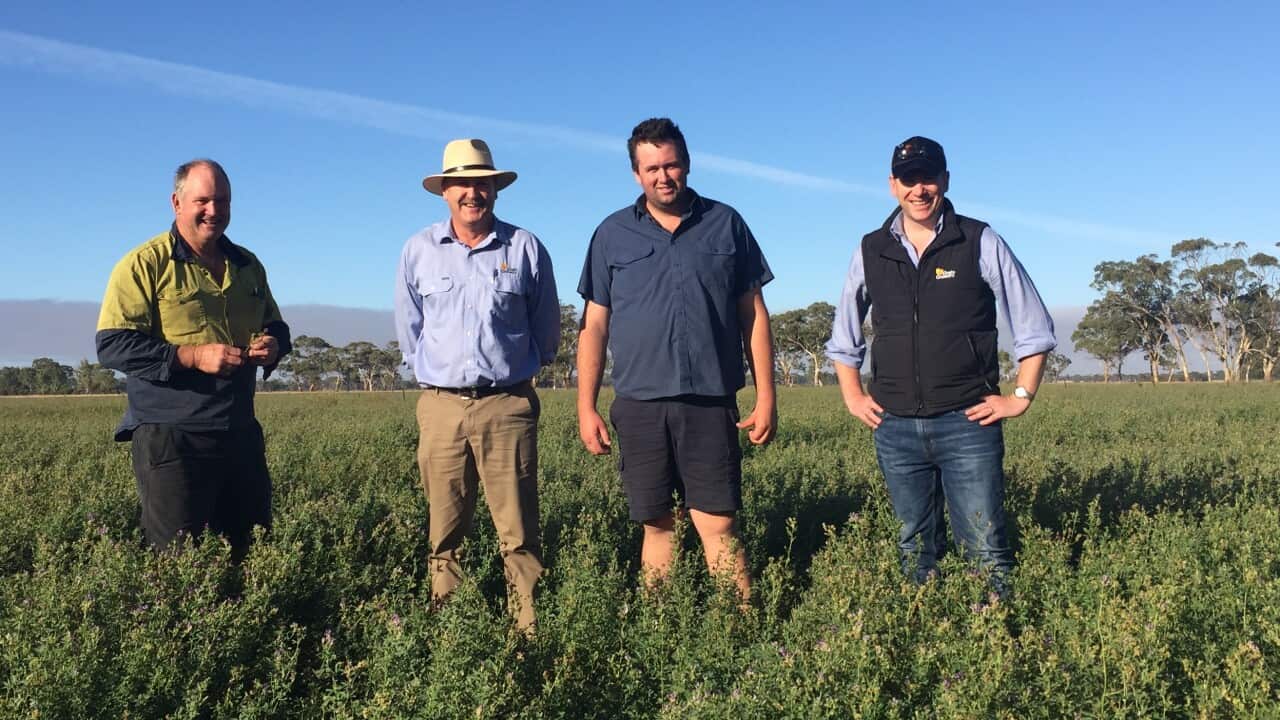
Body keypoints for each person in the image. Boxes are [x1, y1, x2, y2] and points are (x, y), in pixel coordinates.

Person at [827, 136, 1056, 597]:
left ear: (945, 181)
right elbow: (844, 333)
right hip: (894, 426)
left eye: (928, 177)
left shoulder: (978, 240)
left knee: (985, 545)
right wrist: (853, 395)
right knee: (914, 545)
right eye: (908, 179)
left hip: (967, 422)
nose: (919, 189)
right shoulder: (872, 249)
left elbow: (1033, 326)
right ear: (893, 185)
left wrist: (1020, 397)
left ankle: (992, 647)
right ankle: (926, 632)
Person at [577, 118, 776, 600]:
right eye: (651, 168)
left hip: (709, 401)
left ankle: (738, 634)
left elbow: (753, 314)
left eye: (671, 165)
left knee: (718, 523)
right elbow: (594, 325)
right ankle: (660, 634)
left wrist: (767, 396)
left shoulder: (725, 223)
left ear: (686, 164)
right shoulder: (612, 234)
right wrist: (586, 407)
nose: (663, 176)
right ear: (635, 173)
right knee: (657, 525)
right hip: (640, 403)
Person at [394, 139, 559, 630]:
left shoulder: (525, 247)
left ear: (495, 189)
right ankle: (451, 636)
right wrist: (439, 381)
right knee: (444, 533)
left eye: (481, 183)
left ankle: (528, 634)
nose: (472, 192)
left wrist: (518, 377)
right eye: (462, 183)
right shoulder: (418, 251)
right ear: (444, 190)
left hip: (507, 405)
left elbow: (546, 330)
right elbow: (410, 331)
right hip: (441, 407)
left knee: (519, 532)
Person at [96, 159, 291, 559]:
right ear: (177, 202)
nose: (214, 211)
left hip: (239, 431)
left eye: (222, 200)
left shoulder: (248, 266)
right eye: (203, 200)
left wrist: (273, 345)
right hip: (172, 438)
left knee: (250, 550)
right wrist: (191, 356)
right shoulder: (144, 264)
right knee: (180, 561)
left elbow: (277, 326)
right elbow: (113, 344)